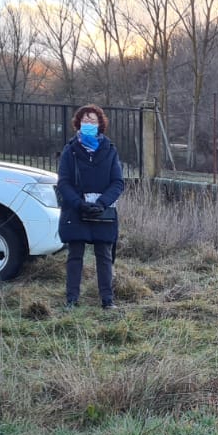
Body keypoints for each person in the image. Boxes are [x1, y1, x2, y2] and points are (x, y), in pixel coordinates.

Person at [56, 104, 125, 309]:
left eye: (93, 121)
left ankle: (107, 301)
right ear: (78, 123)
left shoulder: (110, 150)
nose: (89, 124)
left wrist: (102, 203)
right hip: (76, 210)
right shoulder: (70, 151)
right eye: (85, 121)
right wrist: (79, 203)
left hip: (103, 211)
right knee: (75, 255)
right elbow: (64, 182)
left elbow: (118, 182)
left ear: (100, 125)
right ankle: (71, 301)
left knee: (104, 256)